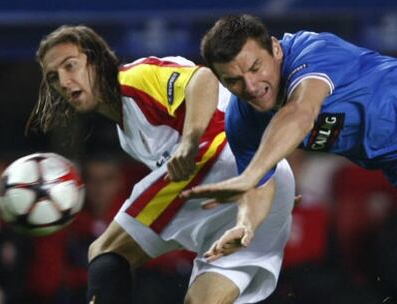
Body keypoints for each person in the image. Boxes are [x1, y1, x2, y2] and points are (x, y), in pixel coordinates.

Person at [25, 25, 295, 303]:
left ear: (96, 59)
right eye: (54, 77)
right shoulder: (127, 136)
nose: (65, 82)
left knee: (107, 250)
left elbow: (203, 79)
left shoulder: (134, 79)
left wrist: (190, 143)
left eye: (71, 65)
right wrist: (271, 189)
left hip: (219, 155)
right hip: (265, 185)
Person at [183, 13, 397, 235]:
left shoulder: (313, 51)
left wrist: (249, 176)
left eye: (255, 68)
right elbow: (259, 188)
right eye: (233, 80)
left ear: (275, 49)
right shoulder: (242, 122)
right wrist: (247, 225)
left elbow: (301, 112)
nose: (251, 87)